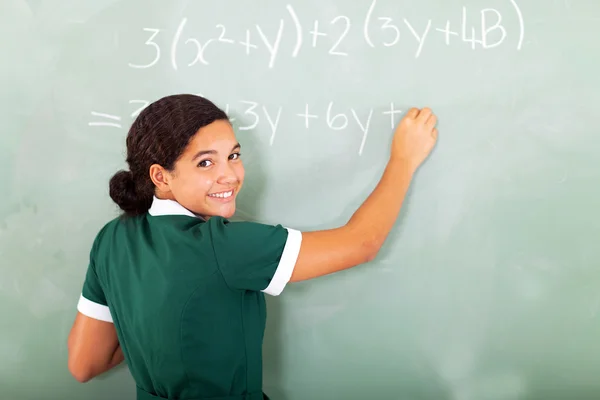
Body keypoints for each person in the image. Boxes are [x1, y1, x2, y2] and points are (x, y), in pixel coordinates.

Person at [67, 94, 438, 400]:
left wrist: (149, 330)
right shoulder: (223, 247)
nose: (229, 174)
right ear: (160, 177)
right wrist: (404, 159)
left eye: (233, 155)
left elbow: (85, 364)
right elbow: (361, 243)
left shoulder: (112, 239)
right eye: (205, 162)